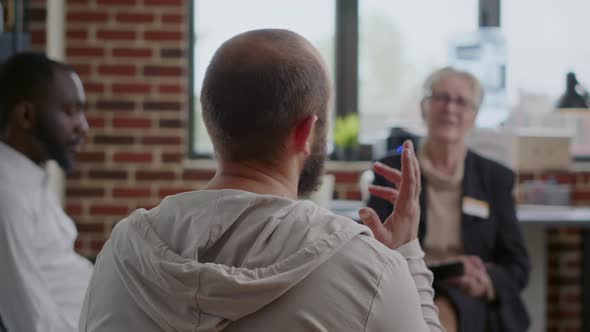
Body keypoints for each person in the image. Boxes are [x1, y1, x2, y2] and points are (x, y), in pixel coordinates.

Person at [79, 29, 443, 331]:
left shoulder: (119, 254)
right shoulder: (370, 272)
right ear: (306, 132)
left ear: (211, 122)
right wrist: (406, 253)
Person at [367, 67, 530, 332]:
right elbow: (370, 251)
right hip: (404, 287)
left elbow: (519, 265)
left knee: (441, 308)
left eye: (461, 101)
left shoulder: (495, 178)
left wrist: (486, 282)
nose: (449, 108)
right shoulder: (391, 170)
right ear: (424, 107)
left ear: (474, 116)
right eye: (441, 98)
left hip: (471, 299)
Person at [0, 53, 92, 331]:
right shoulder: (7, 193)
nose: (83, 126)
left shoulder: (27, 176)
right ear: (26, 115)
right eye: (70, 111)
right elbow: (31, 322)